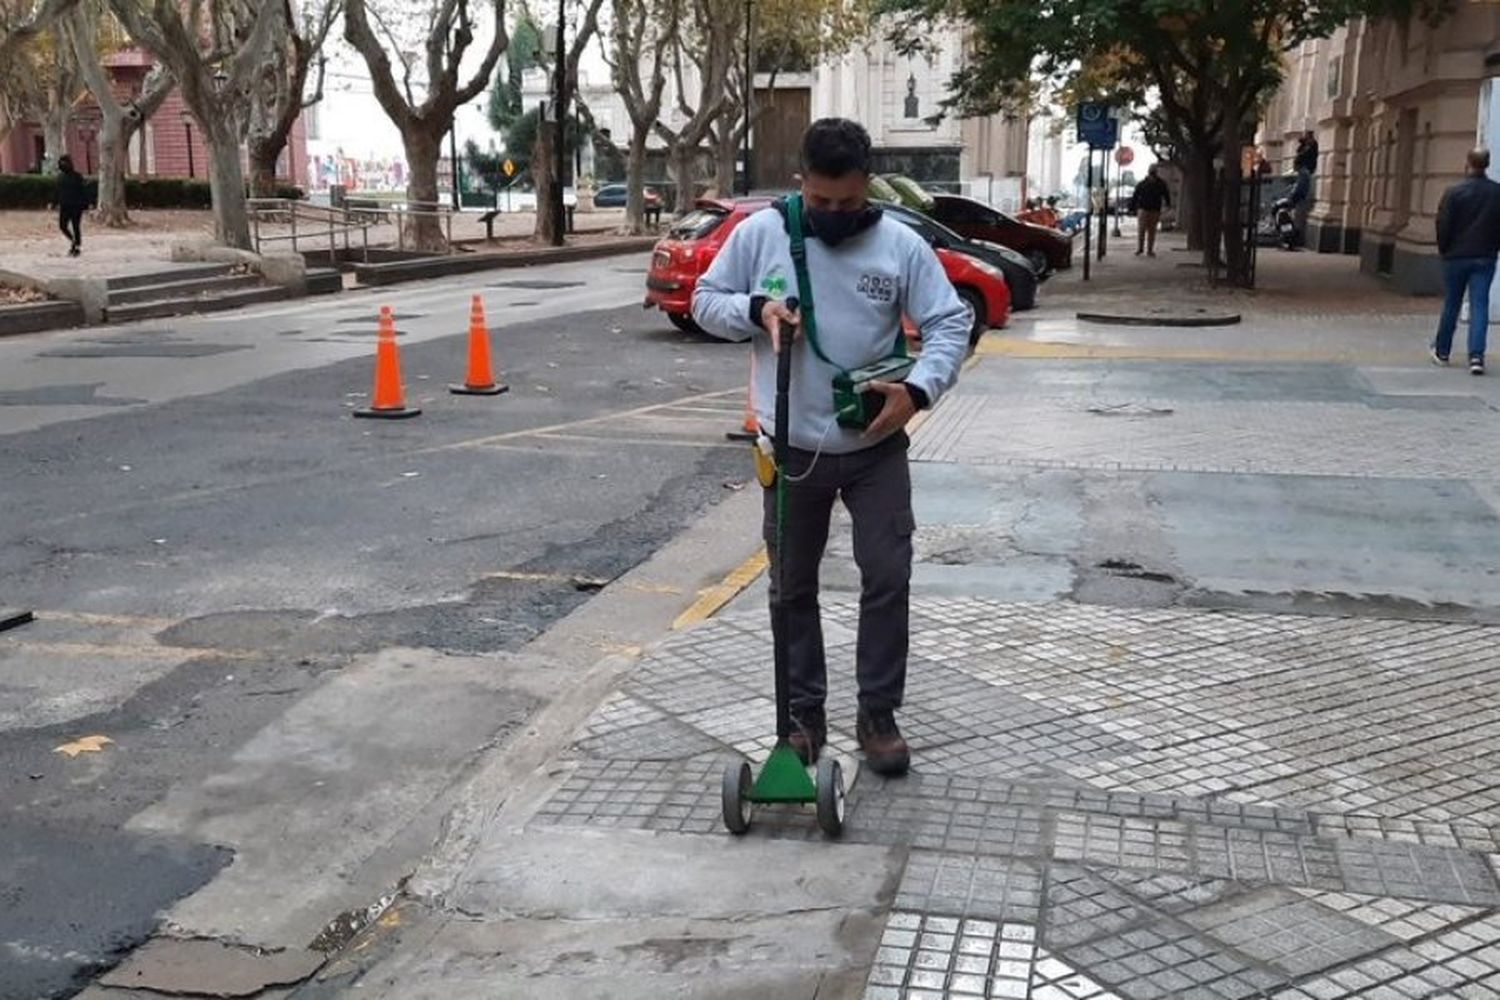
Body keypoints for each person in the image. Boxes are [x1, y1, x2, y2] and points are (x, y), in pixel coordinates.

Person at [692, 118, 969, 776]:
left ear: (867, 187)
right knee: (791, 588)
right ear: (801, 185)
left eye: (847, 202)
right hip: (790, 447)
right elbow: (706, 300)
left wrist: (919, 390)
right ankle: (803, 717)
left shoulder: (900, 245)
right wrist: (754, 309)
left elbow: (950, 320)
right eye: (820, 203)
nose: (835, 215)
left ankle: (877, 712)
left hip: (875, 446)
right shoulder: (762, 234)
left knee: (887, 576)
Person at [1430, 148, 1500, 375]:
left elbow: (1443, 224)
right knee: (1480, 305)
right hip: (1485, 256)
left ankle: (1442, 351)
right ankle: (1477, 357)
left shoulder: (1454, 192)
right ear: (1487, 164)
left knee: (1452, 302)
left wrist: (1445, 249)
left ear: (1468, 163)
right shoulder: (1496, 192)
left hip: (1456, 257)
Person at [1131, 164, 1170, 256]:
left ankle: (1147, 249)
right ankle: (1143, 249)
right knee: (1144, 230)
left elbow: (1166, 195)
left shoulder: (1157, 183)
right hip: (1145, 209)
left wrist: (1132, 207)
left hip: (1151, 209)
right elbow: (1135, 196)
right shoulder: (1145, 183)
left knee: (1150, 230)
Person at [54, 154, 87, 257]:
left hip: (76, 206)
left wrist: (86, 204)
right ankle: (73, 240)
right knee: (62, 225)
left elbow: (83, 191)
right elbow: (57, 192)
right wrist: (54, 202)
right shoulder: (60, 177)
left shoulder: (77, 176)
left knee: (76, 226)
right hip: (64, 206)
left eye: (64, 163)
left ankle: (76, 247)